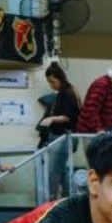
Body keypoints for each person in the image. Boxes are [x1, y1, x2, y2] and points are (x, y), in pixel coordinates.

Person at [37, 62, 81, 199]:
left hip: (62, 136)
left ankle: (50, 199)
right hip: (64, 135)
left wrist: (52, 119)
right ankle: (70, 197)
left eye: (52, 82)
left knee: (53, 170)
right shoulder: (68, 91)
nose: (51, 85)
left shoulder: (67, 93)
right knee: (62, 170)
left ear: (60, 78)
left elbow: (67, 116)